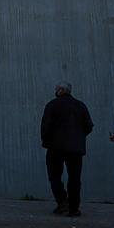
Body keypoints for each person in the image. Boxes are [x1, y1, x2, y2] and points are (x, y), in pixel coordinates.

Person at [41, 81, 94, 217]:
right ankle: (74, 208)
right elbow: (88, 126)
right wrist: (79, 137)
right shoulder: (80, 105)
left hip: (55, 147)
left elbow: (45, 127)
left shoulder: (52, 105)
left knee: (54, 176)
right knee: (75, 178)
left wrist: (46, 141)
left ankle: (62, 202)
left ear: (60, 90)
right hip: (76, 148)